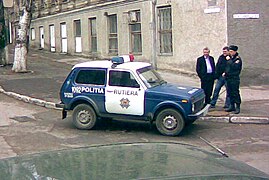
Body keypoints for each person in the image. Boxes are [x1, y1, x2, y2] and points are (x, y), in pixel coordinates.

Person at [224, 45, 242, 114]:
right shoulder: (230, 58)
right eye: (230, 51)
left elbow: (235, 67)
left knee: (235, 93)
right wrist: (225, 73)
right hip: (228, 78)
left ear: (235, 51)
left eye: (231, 51)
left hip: (234, 78)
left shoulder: (237, 59)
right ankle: (232, 106)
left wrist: (229, 60)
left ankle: (237, 106)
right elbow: (228, 67)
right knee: (229, 92)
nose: (230, 53)